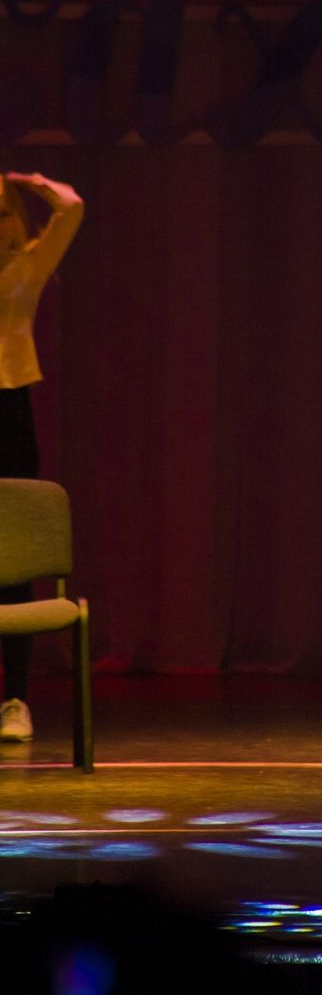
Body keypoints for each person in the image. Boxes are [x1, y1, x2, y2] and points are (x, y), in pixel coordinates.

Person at [0, 171, 84, 742]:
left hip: (9, 412)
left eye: (1, 212)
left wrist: (27, 182)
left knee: (12, 564)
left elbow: (71, 208)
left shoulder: (28, 264)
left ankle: (14, 700)